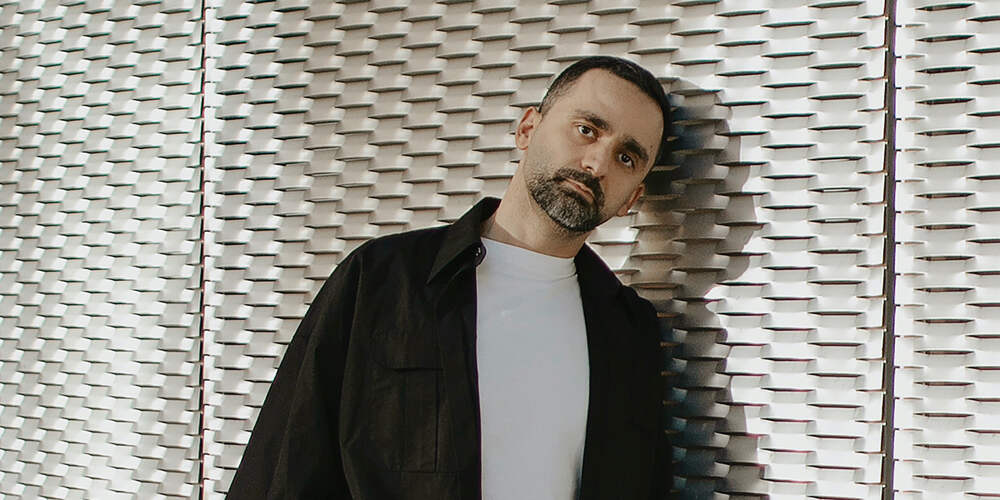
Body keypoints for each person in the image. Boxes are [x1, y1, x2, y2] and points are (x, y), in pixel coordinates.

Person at [227, 55, 673, 500]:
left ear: (631, 198)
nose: (597, 163)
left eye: (626, 157)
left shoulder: (628, 332)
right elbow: (288, 465)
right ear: (528, 128)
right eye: (586, 130)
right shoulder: (382, 280)